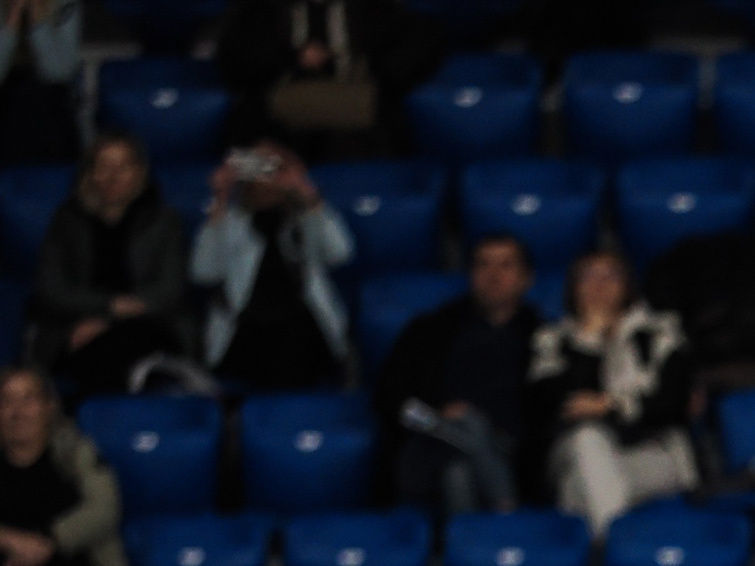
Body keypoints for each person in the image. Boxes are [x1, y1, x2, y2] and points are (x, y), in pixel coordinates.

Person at [525, 251, 697, 534]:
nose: (599, 285)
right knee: (588, 438)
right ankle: (617, 550)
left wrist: (611, 405)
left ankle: (605, 549)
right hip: (575, 455)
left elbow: (672, 405)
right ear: (573, 288)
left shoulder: (662, 331)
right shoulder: (551, 340)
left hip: (653, 455)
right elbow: (554, 404)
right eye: (588, 277)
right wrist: (590, 340)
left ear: (628, 285)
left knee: (579, 490)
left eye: (611, 276)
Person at [375, 233, 541, 516]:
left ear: (526, 278)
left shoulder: (543, 337)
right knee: (465, 427)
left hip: (515, 453)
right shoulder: (429, 331)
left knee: (458, 474)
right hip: (434, 442)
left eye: (505, 265)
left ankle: (468, 551)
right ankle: (507, 515)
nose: (493, 275)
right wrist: (437, 416)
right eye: (483, 265)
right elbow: (392, 398)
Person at [30, 133, 192, 391]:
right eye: (104, 166)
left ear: (140, 172)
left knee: (125, 345)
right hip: (76, 328)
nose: (113, 176)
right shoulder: (66, 222)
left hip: (148, 327)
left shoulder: (164, 222)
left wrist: (107, 321)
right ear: (90, 173)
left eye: (123, 167)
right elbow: (52, 290)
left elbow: (169, 290)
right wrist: (110, 305)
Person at [190, 142, 354, 393]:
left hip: (301, 325)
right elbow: (203, 272)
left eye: (275, 167)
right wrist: (221, 198)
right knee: (271, 349)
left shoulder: (304, 217)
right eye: (257, 166)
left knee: (293, 342)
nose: (266, 175)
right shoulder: (231, 221)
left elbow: (340, 253)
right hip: (245, 328)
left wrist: (305, 192)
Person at [214, 0, 446, 158]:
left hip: (359, 111)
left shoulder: (374, 8)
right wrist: (291, 58)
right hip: (275, 112)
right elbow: (235, 61)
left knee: (381, 137)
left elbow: (422, 42)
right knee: (251, 146)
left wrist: (377, 72)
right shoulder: (260, 10)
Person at [0, 368, 127, 566]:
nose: (18, 411)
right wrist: (9, 539)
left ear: (49, 406)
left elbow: (105, 508)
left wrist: (51, 541)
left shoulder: (76, 453)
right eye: (7, 400)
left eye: (29, 399)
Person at [0, 0, 81, 165]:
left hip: (51, 109)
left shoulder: (65, 3)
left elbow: (59, 72)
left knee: (43, 100)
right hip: (4, 106)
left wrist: (36, 17)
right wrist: (12, 19)